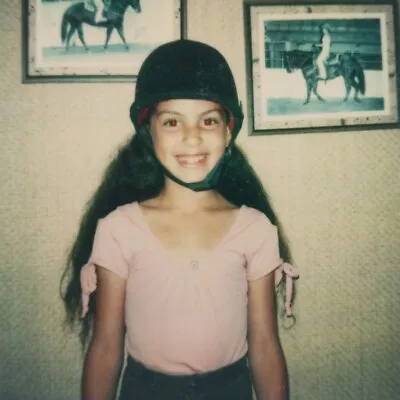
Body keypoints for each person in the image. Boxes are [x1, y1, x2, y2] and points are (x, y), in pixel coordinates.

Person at [61, 39, 299, 400]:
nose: (192, 136)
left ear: (228, 131)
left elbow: (265, 345)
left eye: (208, 120)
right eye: (172, 121)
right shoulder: (118, 229)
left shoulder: (256, 229)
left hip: (230, 389)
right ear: (149, 132)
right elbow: (106, 348)